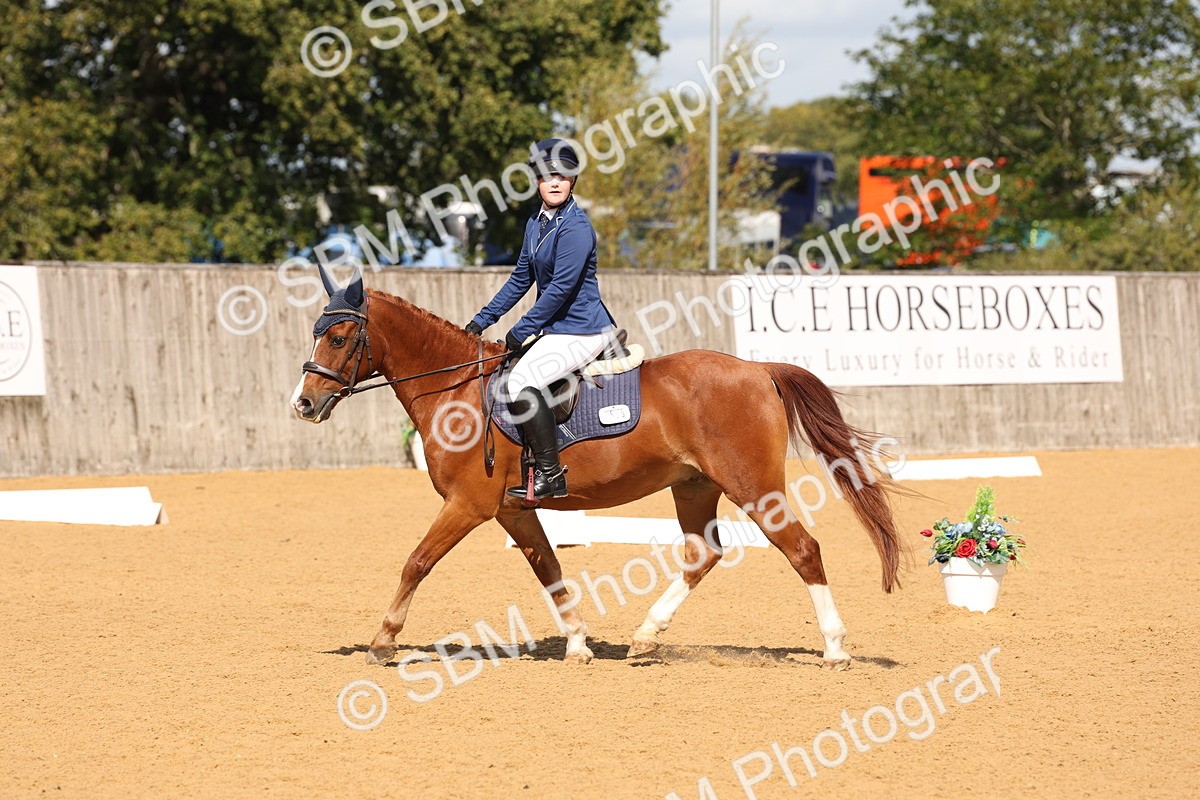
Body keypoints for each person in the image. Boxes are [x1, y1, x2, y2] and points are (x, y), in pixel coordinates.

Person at [465, 138, 616, 500]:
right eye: (547, 176)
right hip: (558, 331)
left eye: (562, 176)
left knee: (521, 382)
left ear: (572, 182)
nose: (554, 182)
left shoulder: (576, 227)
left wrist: (521, 330)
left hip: (582, 330)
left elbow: (560, 289)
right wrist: (480, 321)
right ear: (536, 181)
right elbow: (521, 278)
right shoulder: (536, 223)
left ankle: (551, 475)